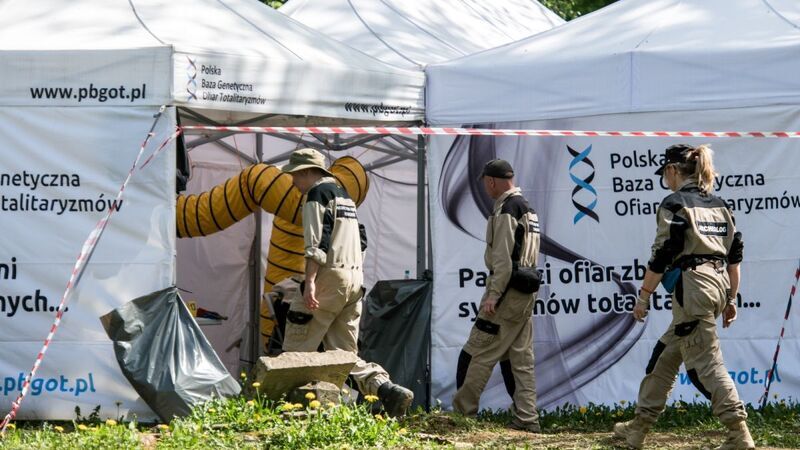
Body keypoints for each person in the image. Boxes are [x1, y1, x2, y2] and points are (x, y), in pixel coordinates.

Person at [614, 144, 753, 450]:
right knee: (664, 357)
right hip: (716, 286)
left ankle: (739, 432)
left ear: (672, 170)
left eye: (665, 173)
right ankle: (638, 427)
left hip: (694, 289)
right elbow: (734, 258)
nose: (665, 179)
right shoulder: (720, 205)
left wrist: (643, 296)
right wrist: (731, 299)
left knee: (706, 364)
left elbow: (663, 254)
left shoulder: (674, 204)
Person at [280, 148, 414, 417]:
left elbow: (317, 243)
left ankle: (282, 412)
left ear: (307, 171)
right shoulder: (345, 197)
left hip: (329, 276)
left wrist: (311, 281)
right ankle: (384, 388)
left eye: (294, 175)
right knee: (342, 355)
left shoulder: (316, 195)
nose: (293, 182)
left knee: (295, 350)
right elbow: (362, 240)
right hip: (354, 279)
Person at [453, 159, 542, 432]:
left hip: (506, 294)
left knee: (476, 352)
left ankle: (463, 415)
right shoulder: (527, 208)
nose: (485, 187)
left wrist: (493, 295)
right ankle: (527, 418)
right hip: (524, 294)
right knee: (520, 360)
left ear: (491, 181)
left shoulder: (506, 209)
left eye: (485, 182)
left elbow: (503, 260)